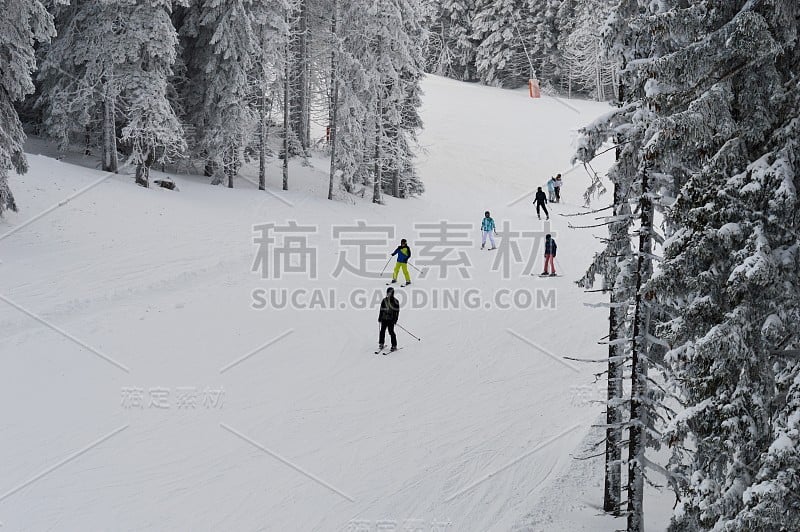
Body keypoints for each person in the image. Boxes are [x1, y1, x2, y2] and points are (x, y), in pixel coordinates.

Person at [378, 286, 400, 351]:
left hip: (391, 319)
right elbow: (381, 309)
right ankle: (381, 343)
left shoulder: (396, 301)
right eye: (388, 293)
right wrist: (380, 317)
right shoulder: (384, 300)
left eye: (390, 293)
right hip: (384, 318)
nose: (389, 294)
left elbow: (397, 312)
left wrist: (395, 319)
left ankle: (394, 345)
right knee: (382, 331)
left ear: (392, 293)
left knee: (391, 332)